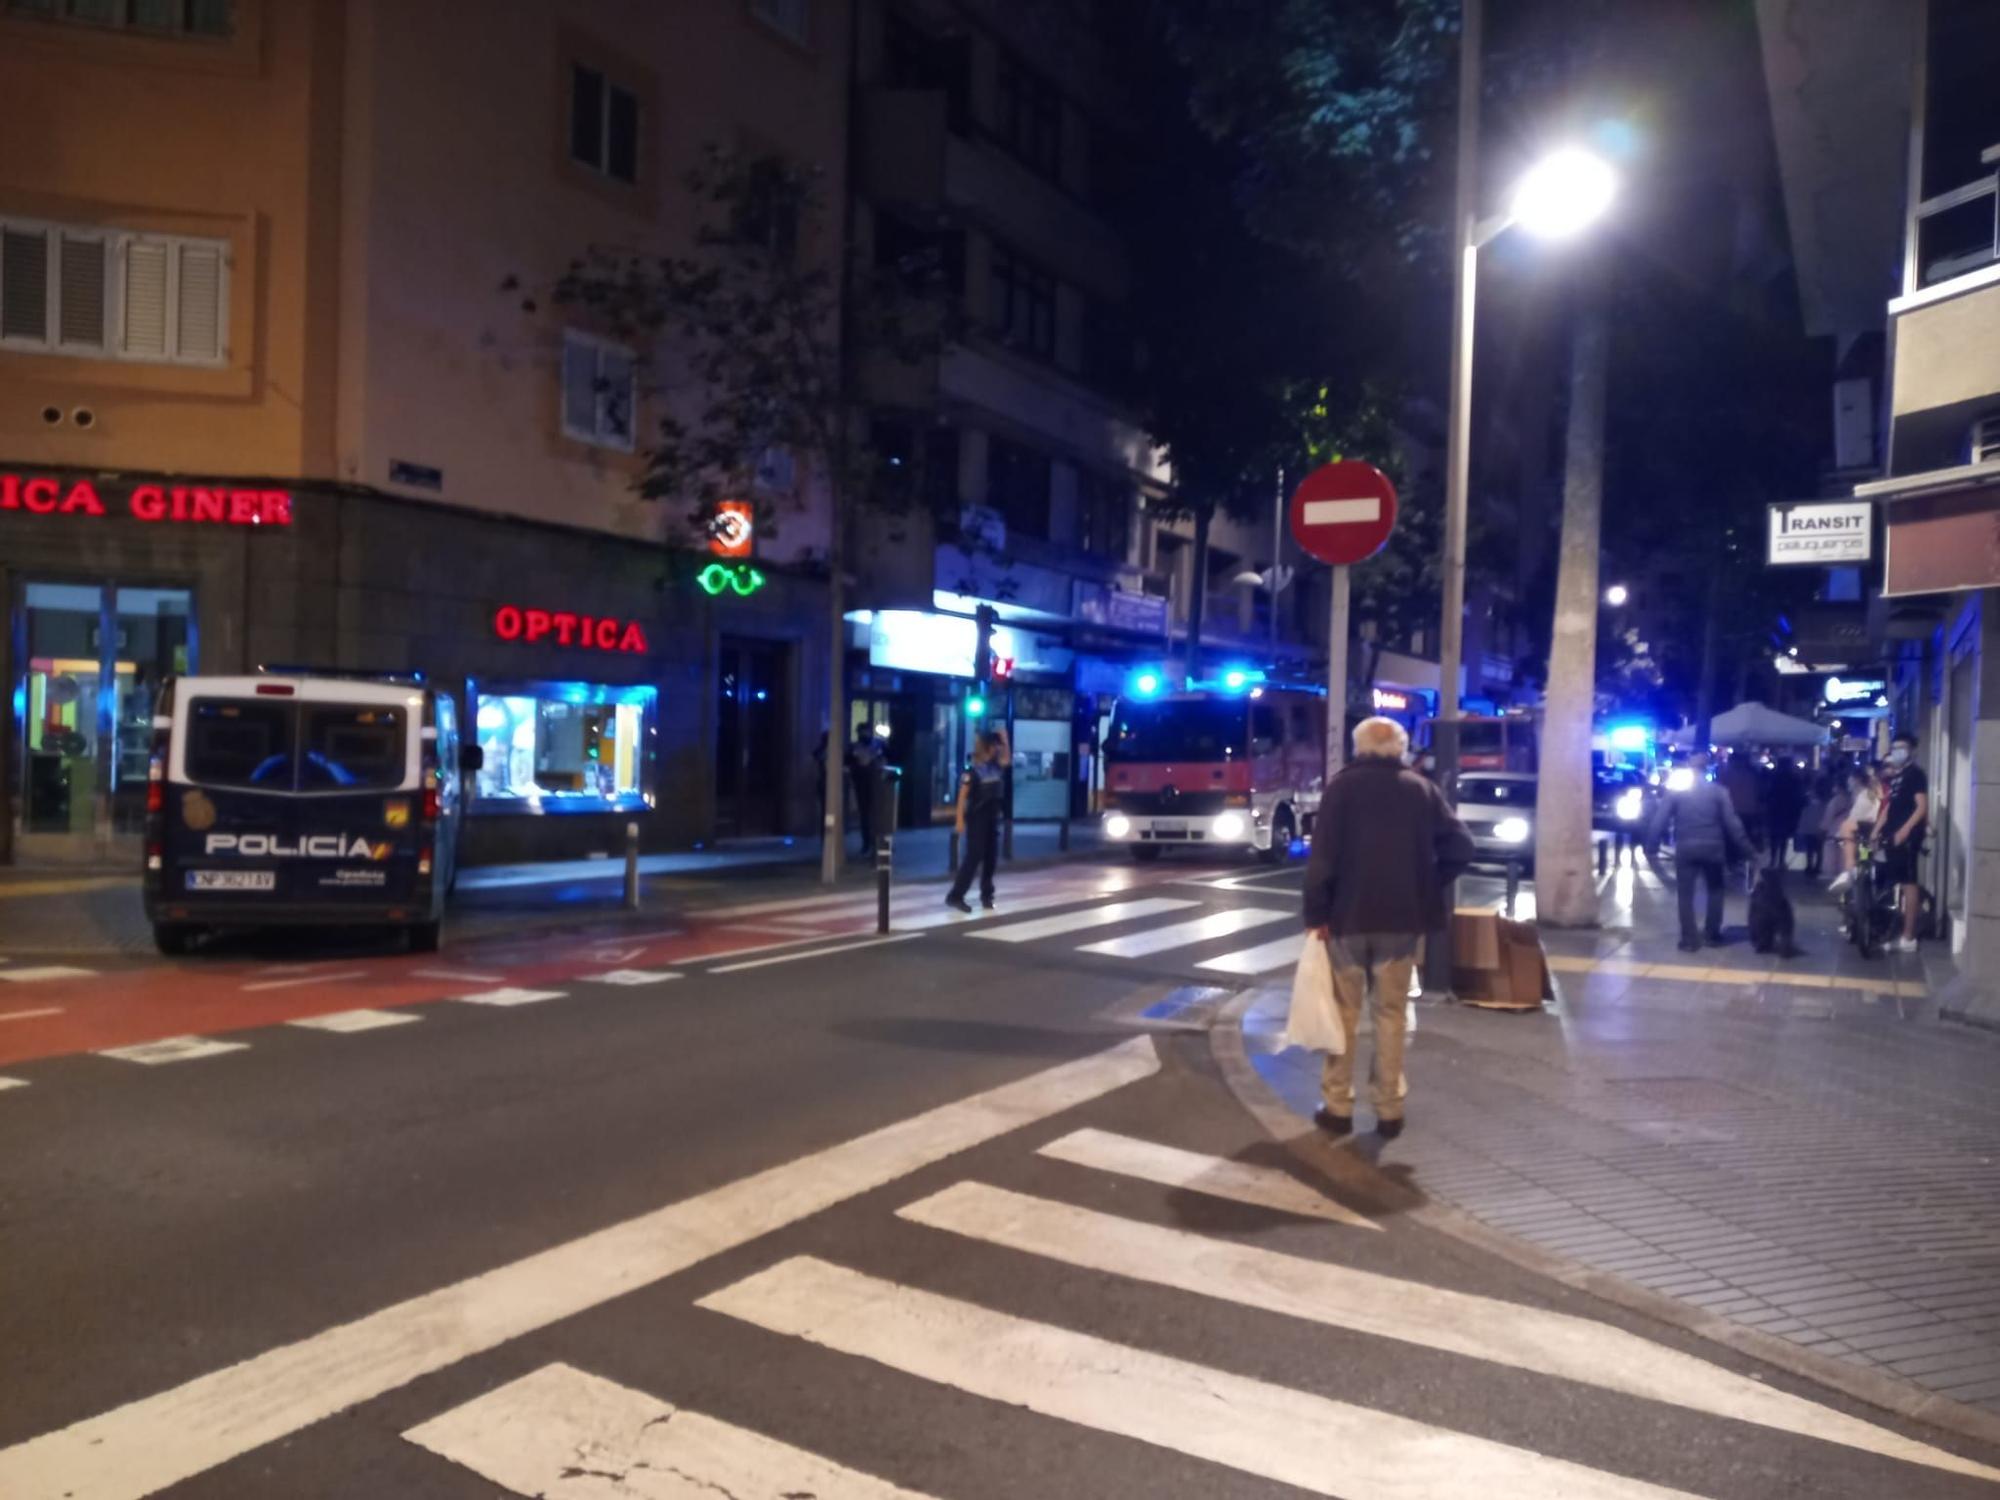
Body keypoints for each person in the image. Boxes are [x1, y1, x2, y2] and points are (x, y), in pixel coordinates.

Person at [1301, 716, 1474, 1141]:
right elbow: (1461, 846)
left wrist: (1316, 915)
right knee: (1391, 1014)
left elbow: (1321, 860)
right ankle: (1389, 1110)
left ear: (1358, 746)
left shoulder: (1341, 789)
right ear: (1401, 747)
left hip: (1347, 918)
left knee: (1342, 1013)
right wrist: (1430, 883)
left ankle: (1338, 1106)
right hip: (1402, 921)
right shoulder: (1420, 789)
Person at [1645, 750, 1751, 952]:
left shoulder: (1675, 792)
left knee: (1685, 894)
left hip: (1686, 847)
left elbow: (1659, 820)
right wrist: (1748, 851)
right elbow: (1733, 824)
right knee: (1715, 890)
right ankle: (1712, 935)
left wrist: (1651, 846)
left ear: (1689, 768)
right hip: (1713, 847)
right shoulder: (1719, 791)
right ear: (1707, 768)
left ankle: (1689, 940)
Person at [1877, 731, 1930, 953]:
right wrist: (1877, 831)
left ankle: (1909, 937)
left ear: (1912, 751)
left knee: (1909, 884)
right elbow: (1890, 808)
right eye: (1895, 747)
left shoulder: (1915, 775)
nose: (1897, 751)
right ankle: (1895, 930)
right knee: (1893, 881)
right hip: (1891, 837)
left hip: (1906, 839)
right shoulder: (1897, 776)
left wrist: (1905, 831)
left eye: (1902, 747)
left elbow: (1921, 806)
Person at [945, 732, 1006, 913]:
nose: (998, 748)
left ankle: (987, 896)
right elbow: (962, 796)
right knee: (973, 857)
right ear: (987, 747)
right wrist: (959, 820)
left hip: (992, 818)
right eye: (995, 745)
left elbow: (1007, 758)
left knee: (991, 859)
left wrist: (1006, 738)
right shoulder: (972, 771)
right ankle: (955, 896)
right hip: (977, 818)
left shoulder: (996, 767)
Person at [1829, 766, 1881, 893]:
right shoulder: (1868, 794)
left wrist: (1839, 835)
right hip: (1869, 832)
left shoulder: (1865, 795)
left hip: (1868, 831)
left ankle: (1848, 871)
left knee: (1847, 833)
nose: (1849, 782)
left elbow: (1855, 817)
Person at [845, 724, 882, 858]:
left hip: (876, 785)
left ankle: (874, 843)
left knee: (875, 815)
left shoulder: (877, 745)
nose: (864, 734)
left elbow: (885, 758)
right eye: (862, 732)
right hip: (861, 784)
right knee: (865, 815)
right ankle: (867, 843)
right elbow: (848, 761)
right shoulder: (854, 747)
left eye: (865, 732)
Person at [1818, 773, 1854, 882]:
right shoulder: (1851, 799)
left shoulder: (1835, 800)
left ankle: (1830, 872)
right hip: (1848, 829)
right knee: (1844, 852)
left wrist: (1822, 828)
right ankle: (1844, 871)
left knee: (1831, 852)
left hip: (1834, 830)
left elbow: (1829, 816)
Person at [1796, 779, 1827, 877]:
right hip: (1819, 830)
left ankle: (1809, 866)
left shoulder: (1807, 806)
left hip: (1809, 830)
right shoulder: (1824, 806)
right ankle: (1817, 866)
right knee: (1819, 849)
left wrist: (1801, 829)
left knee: (1810, 849)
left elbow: (1804, 818)